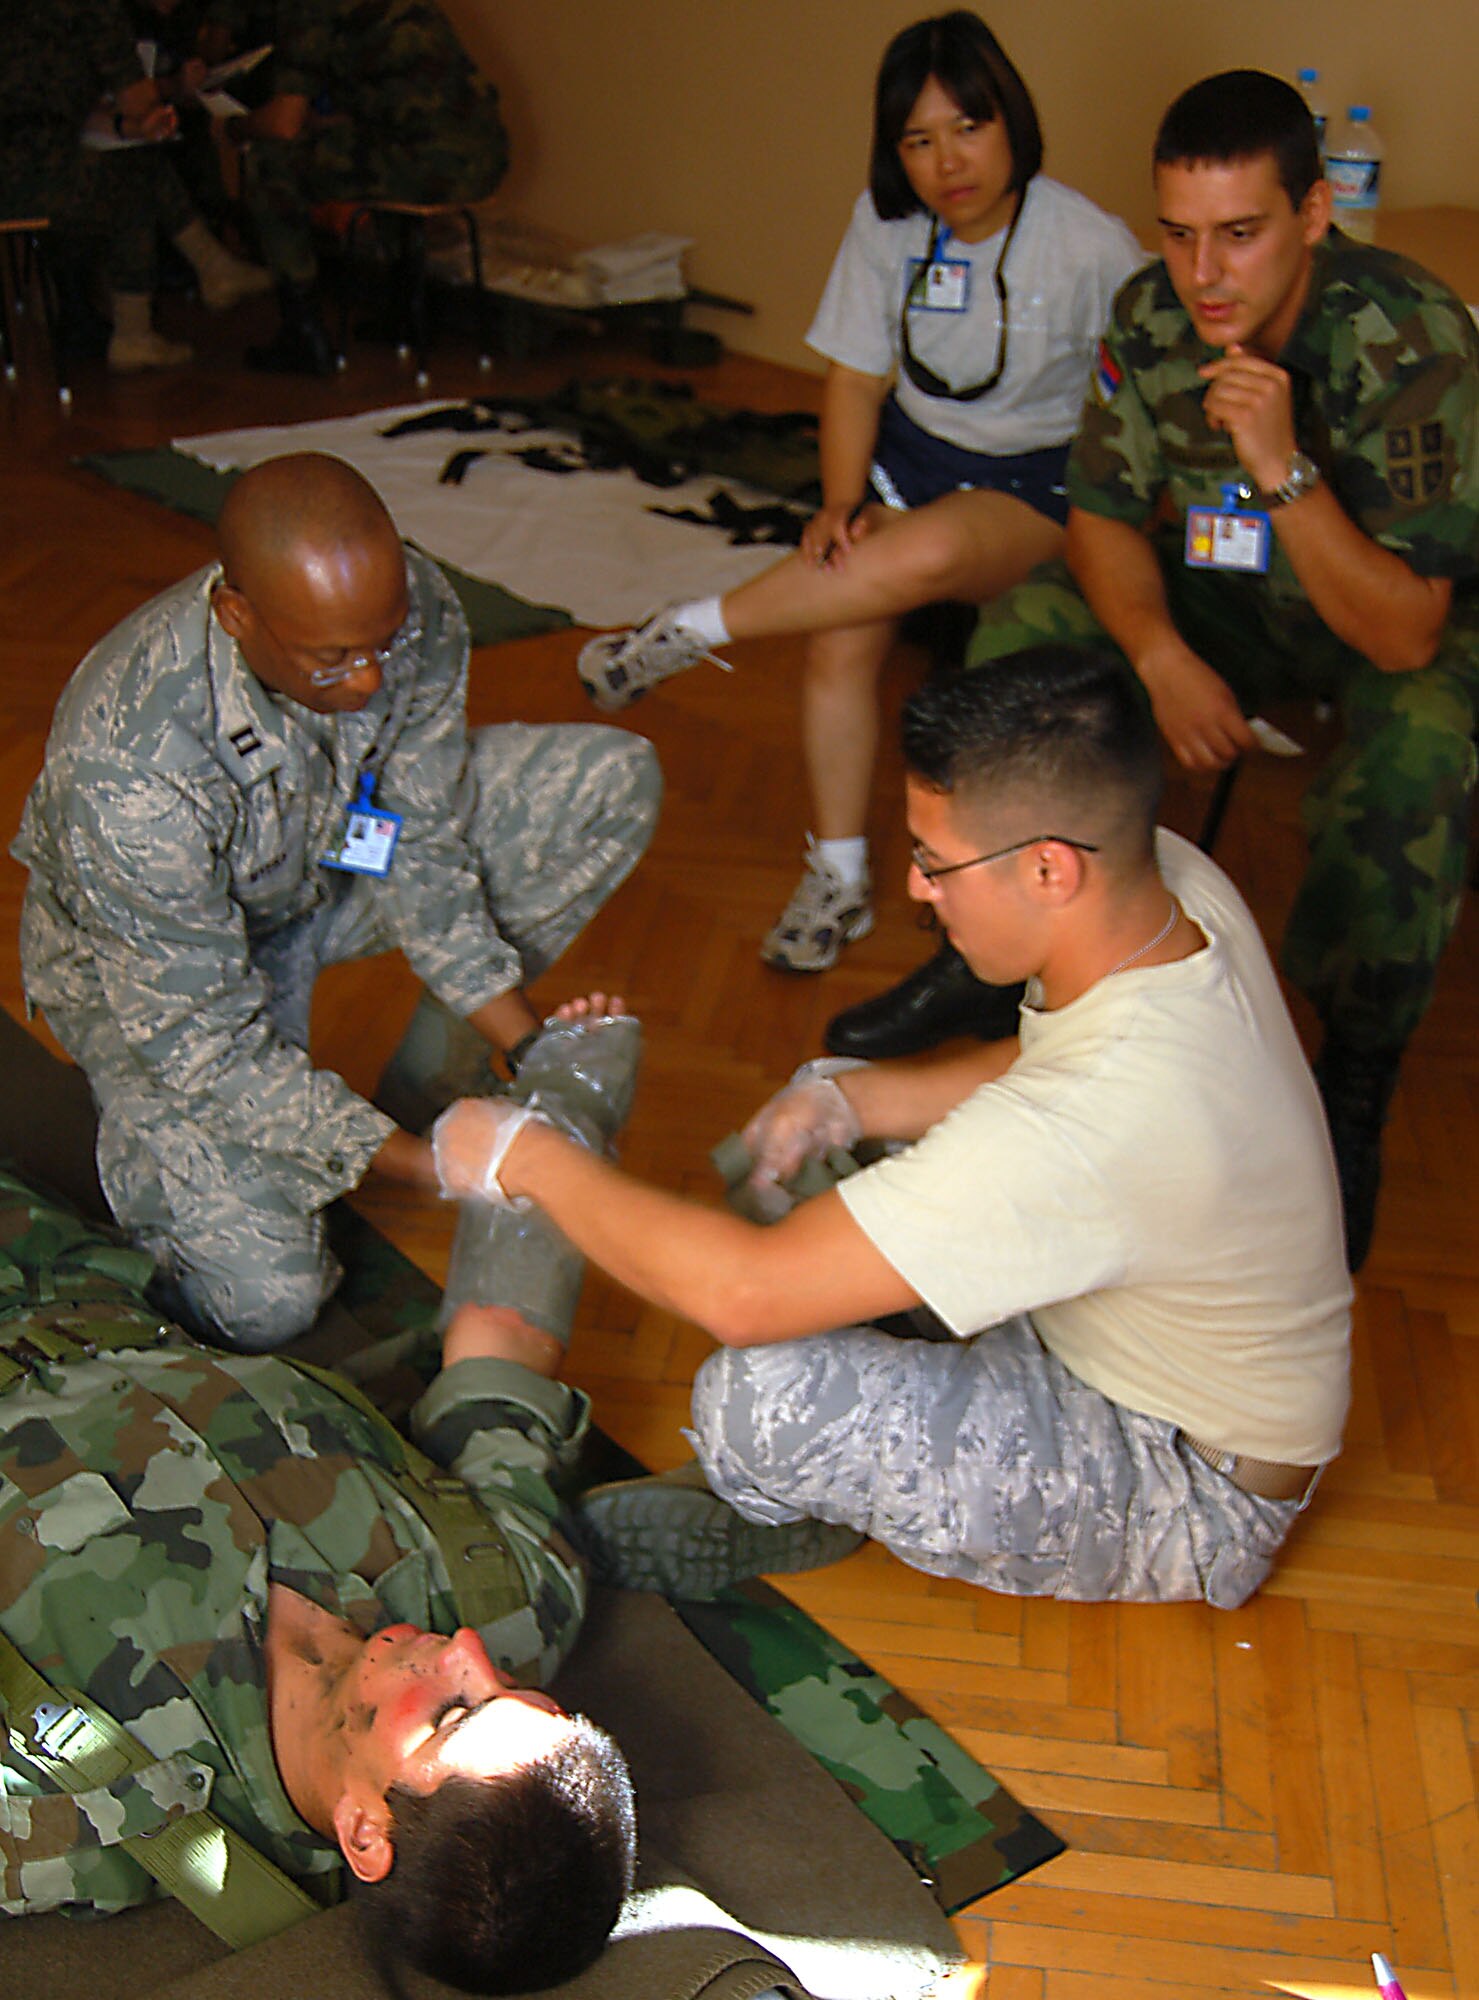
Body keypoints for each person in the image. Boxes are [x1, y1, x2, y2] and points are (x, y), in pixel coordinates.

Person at [433, 649, 1354, 1611]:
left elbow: (740, 1296)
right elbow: (1057, 1062)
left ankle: (801, 1503)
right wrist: (853, 1102)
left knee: (758, 1402)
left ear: (1049, 868)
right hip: (1117, 1322)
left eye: (933, 861)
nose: (918, 889)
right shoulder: (1166, 887)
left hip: (1184, 1483)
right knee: (831, 1093)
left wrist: (525, 1156)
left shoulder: (1093, 1122)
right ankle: (893, 1369)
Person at [828, 69, 1479, 1273]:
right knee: (1027, 622)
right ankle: (990, 957)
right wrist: (1160, 654)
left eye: (1241, 233)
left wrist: (1282, 467)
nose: (1205, 273)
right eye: (1180, 234)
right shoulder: (1149, 315)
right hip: (1215, 603)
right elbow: (1104, 514)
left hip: (1369, 611)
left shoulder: (1414, 337)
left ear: (1315, 213)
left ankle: (1355, 1070)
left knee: (1424, 751)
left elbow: (1405, 633)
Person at [11, 452, 661, 1352]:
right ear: (236, 616)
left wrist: (529, 1041)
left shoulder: (410, 608)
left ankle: (443, 1084)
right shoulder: (128, 771)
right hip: (157, 985)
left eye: (381, 646)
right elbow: (205, 1045)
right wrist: (423, 1166)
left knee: (610, 781)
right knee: (266, 1302)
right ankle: (166, 1171)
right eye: (333, 661)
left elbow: (418, 840)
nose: (368, 681)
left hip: (321, 871)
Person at [574, 11, 1143, 974]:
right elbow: (850, 378)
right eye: (915, 141)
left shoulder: (1091, 245)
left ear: (1011, 120)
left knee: (922, 554)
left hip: (1032, 479)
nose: (944, 162)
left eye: (967, 128)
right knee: (843, 620)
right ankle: (837, 878)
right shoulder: (887, 226)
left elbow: (1137, 407)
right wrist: (840, 500)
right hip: (907, 456)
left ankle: (690, 629)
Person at [0, 1165, 637, 1990]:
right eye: (510, 1680)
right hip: (70, 1268)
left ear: (365, 1830)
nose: (468, 1648)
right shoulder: (513, 1593)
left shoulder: (83, 1816)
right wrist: (544, 1134)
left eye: (453, 1712)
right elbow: (501, 1363)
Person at [220, 0, 510, 375]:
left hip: (428, 165)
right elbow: (389, 102)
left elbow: (282, 124)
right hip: (486, 156)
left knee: (269, 164)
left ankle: (303, 333)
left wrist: (231, 128)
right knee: (368, 157)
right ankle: (408, 312)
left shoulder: (309, 11)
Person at [0, 0, 271, 372]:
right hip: (28, 177)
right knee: (136, 176)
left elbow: (56, 117)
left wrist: (127, 129)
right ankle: (143, 324)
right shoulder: (92, 10)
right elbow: (135, 97)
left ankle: (203, 275)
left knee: (131, 162)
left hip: (27, 162)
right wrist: (164, 99)